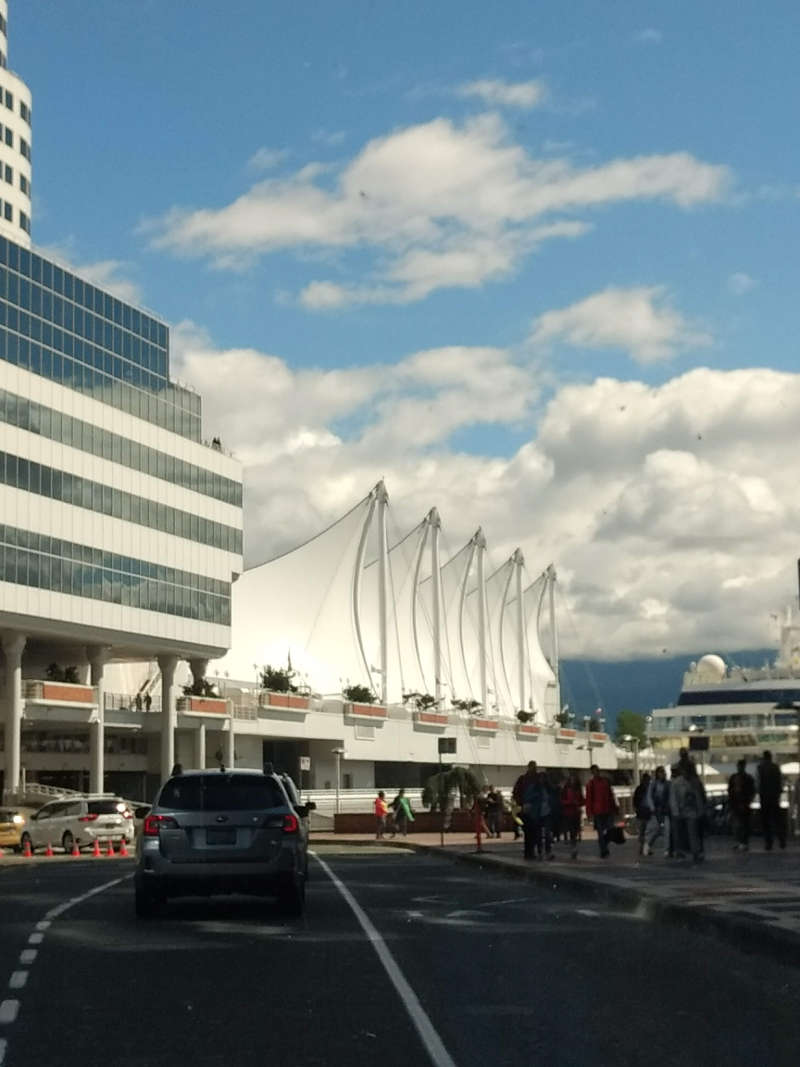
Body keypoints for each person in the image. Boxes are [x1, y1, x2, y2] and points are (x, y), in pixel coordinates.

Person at [670, 763, 705, 862]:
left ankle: (695, 852)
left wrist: (700, 811)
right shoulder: (676, 783)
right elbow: (673, 798)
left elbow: (698, 797)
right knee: (679, 834)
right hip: (680, 811)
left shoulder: (694, 782)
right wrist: (675, 812)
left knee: (693, 832)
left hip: (692, 811)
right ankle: (680, 852)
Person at [522, 771, 560, 860]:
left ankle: (548, 851)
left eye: (544, 778)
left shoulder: (549, 788)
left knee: (547, 833)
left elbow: (554, 798)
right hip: (537, 813)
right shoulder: (533, 788)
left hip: (547, 813)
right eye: (541, 778)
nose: (542, 780)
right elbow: (527, 797)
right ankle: (540, 851)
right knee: (538, 834)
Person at [585, 764, 617, 858]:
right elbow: (589, 799)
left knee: (609, 829)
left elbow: (610, 795)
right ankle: (603, 849)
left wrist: (614, 807)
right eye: (594, 771)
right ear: (592, 772)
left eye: (597, 770)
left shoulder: (605, 781)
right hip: (598, 811)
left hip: (607, 809)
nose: (596, 772)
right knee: (600, 831)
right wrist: (589, 812)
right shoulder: (590, 784)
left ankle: (604, 846)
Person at [757, 750, 786, 850]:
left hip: (764, 797)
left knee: (766, 821)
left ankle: (769, 842)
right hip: (774, 797)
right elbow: (780, 782)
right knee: (777, 820)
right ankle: (782, 840)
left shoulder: (760, 768)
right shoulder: (775, 767)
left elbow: (759, 783)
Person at [727, 759, 755, 851]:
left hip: (741, 803)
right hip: (740, 804)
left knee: (742, 824)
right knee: (740, 824)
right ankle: (742, 842)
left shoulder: (735, 778)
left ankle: (742, 842)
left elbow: (730, 791)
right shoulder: (747, 778)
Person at [643, 765, 671, 856]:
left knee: (667, 830)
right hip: (656, 811)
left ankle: (667, 849)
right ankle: (647, 845)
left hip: (665, 810)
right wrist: (652, 808)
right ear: (657, 774)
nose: (663, 774)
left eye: (664, 772)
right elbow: (649, 797)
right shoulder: (653, 784)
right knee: (654, 830)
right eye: (661, 772)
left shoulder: (668, 784)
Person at [560, 774, 584, 859]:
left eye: (574, 780)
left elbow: (582, 801)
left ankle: (574, 846)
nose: (573, 782)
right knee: (571, 830)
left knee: (575, 830)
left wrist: (579, 803)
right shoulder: (566, 790)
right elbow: (562, 801)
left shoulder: (578, 790)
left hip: (576, 813)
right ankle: (573, 847)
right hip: (568, 813)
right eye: (571, 780)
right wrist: (569, 802)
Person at [632, 772, 652, 856]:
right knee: (642, 831)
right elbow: (635, 800)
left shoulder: (649, 788)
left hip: (647, 812)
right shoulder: (640, 789)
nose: (647, 781)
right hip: (642, 812)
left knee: (647, 831)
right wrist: (636, 809)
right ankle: (642, 847)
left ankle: (645, 848)